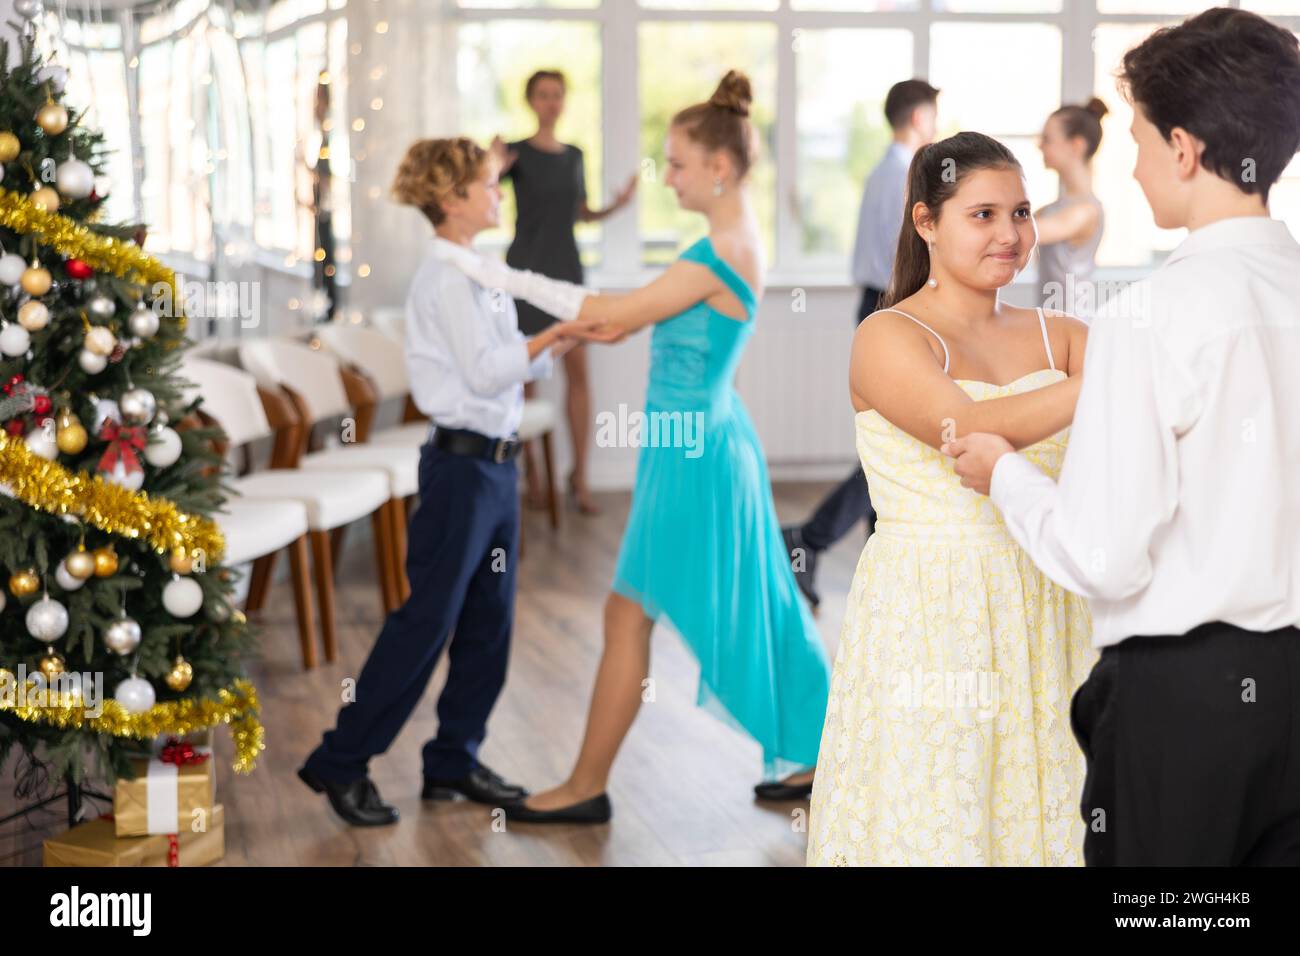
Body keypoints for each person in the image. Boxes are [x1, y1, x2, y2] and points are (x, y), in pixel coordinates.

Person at [946, 8, 1300, 866]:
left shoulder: (1151, 314)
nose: (1134, 166)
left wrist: (1003, 476)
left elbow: (1103, 554)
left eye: (1140, 140)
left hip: (1185, 707)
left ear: (1182, 149)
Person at [447, 71, 831, 824]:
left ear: (719, 167)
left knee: (636, 612)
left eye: (678, 163)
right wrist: (582, 319)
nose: (670, 175)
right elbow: (618, 322)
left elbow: (612, 311)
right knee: (757, 603)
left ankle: (586, 786)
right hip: (698, 443)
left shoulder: (720, 249)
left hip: (695, 453)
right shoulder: (719, 243)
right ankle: (826, 749)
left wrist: (488, 269)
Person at [806, 132, 1096, 866]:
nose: (1010, 234)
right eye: (984, 214)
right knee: (942, 805)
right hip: (932, 611)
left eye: (1022, 212)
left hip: (1048, 598)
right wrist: (1105, 383)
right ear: (925, 222)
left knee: (1049, 804)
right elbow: (963, 428)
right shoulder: (887, 335)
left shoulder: (1062, 337)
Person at [297, 137, 599, 826]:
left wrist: (557, 342)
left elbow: (505, 367)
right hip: (461, 472)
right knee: (426, 623)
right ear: (453, 200)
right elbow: (490, 371)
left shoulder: (477, 270)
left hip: (495, 466)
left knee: (489, 623)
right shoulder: (445, 279)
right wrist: (551, 339)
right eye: (489, 186)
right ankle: (340, 762)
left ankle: (453, 761)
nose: (499, 195)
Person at [782, 79, 939, 611]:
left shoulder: (884, 170)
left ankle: (885, 565)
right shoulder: (905, 176)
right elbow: (909, 257)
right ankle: (809, 539)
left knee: (890, 445)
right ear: (919, 116)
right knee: (891, 450)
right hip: (891, 308)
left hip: (879, 304)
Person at [491, 69, 637, 516]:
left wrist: (617, 206)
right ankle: (534, 476)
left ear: (564, 101)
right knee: (526, 376)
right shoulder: (514, 153)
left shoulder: (575, 155)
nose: (551, 102)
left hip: (567, 272)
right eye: (543, 95)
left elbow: (580, 212)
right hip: (524, 274)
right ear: (530, 101)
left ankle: (580, 478)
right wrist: (492, 164)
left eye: (558, 95)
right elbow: (486, 195)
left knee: (579, 377)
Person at [1035, 98, 1107, 321]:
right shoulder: (1051, 209)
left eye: (1047, 139)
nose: (1039, 145)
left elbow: (1027, 231)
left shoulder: (1086, 211)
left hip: (1075, 328)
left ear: (1076, 145)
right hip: (1052, 325)